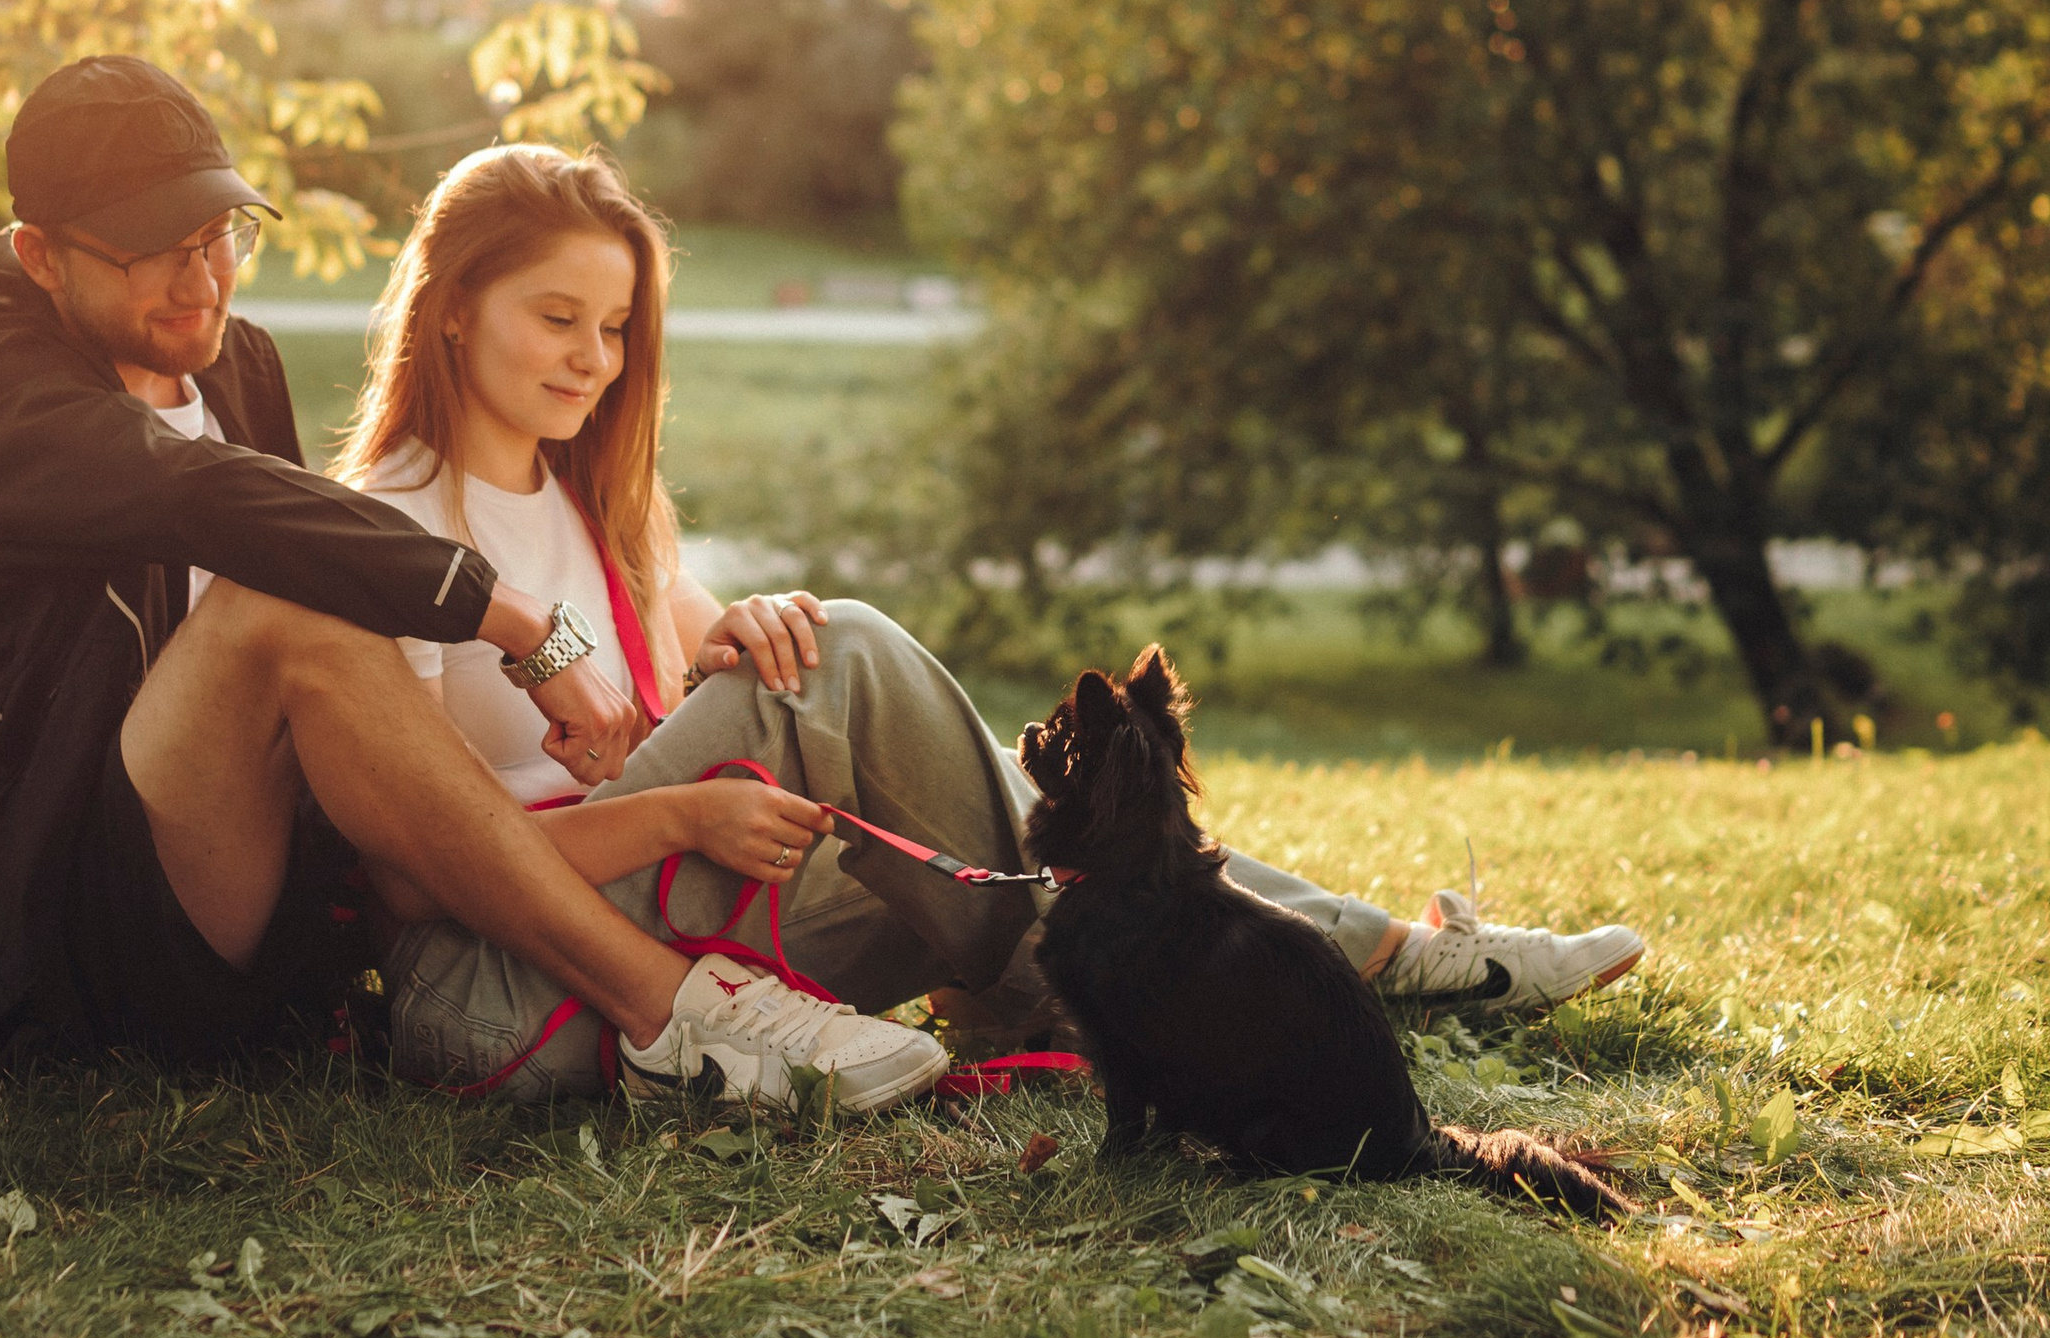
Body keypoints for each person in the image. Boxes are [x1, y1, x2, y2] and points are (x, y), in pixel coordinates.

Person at [337, 143, 1648, 1101]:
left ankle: (1333, 963)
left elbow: (718, 678)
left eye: (616, 327)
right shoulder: (384, 537)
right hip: (506, 998)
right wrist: (681, 806)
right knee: (851, 658)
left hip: (680, 940)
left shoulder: (601, 510)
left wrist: (753, 631)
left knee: (898, 714)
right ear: (453, 306)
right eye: (556, 319)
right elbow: (417, 874)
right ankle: (1352, 962)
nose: (592, 360)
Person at [0, 55, 953, 1112]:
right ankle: (670, 1014)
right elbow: (210, 502)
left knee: (313, 589)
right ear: (41, 256)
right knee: (284, 591)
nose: (202, 284)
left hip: (222, 898)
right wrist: (518, 622)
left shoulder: (231, 358)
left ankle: (1039, 929)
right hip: (47, 918)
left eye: (217, 237)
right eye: (154, 252)